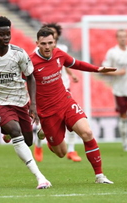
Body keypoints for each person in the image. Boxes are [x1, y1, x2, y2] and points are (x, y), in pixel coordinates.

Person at [30, 27, 116, 184]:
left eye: (50, 43)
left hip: (65, 101)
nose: (47, 47)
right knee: (61, 153)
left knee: (87, 132)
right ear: (37, 43)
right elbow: (23, 84)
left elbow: (78, 64)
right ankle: (46, 135)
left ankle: (100, 176)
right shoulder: (30, 62)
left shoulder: (59, 54)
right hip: (47, 112)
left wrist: (98, 69)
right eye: (44, 44)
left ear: (55, 42)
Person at [0, 16, 51, 189]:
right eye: (1, 35)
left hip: (20, 100)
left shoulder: (19, 54)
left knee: (28, 141)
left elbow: (30, 77)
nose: (6, 38)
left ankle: (7, 132)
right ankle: (40, 178)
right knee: (16, 132)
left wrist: (32, 104)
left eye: (8, 34)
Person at [34, 23, 82, 163]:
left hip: (64, 86)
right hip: (47, 90)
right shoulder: (39, 50)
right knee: (43, 122)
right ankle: (38, 145)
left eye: (53, 36)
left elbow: (64, 63)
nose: (48, 43)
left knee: (71, 120)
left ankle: (72, 150)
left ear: (56, 38)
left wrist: (71, 74)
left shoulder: (62, 49)